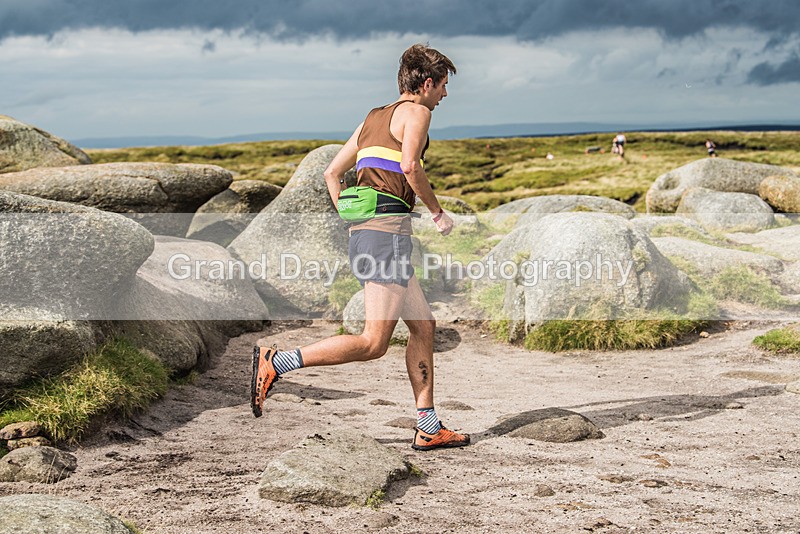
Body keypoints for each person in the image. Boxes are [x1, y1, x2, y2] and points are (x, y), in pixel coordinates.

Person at [250, 44, 470, 452]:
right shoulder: (417, 113)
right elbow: (410, 166)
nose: (444, 94)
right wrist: (438, 213)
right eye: (443, 85)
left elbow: (332, 172)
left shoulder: (373, 118)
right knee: (373, 343)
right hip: (386, 236)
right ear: (426, 84)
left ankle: (428, 426)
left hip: (375, 234)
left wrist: (352, 217)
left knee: (424, 326)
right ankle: (277, 362)